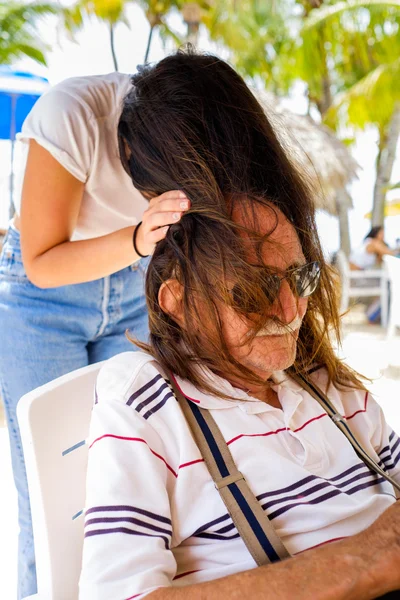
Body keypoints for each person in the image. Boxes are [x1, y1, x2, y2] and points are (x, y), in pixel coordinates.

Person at [80, 51, 400, 599]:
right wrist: (361, 562)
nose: (288, 311)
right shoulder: (147, 402)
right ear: (176, 301)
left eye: (299, 279)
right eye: (250, 291)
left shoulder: (331, 389)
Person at [0, 68, 190, 598]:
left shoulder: (190, 123)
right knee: (50, 494)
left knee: (127, 474)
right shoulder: (74, 114)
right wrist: (136, 237)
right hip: (43, 300)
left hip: (132, 285)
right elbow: (41, 261)